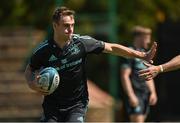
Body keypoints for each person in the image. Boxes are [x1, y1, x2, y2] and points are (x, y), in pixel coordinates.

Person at [24, 7, 157, 122]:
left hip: (76, 105)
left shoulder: (81, 43)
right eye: (66, 25)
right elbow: (29, 69)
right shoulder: (43, 50)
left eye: (72, 25)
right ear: (55, 25)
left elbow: (111, 48)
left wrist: (141, 55)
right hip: (52, 106)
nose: (70, 29)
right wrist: (32, 84)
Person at [120, 26, 158, 122]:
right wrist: (131, 95)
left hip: (145, 94)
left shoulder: (145, 54)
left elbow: (149, 75)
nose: (149, 42)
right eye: (147, 38)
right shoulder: (129, 52)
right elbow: (124, 76)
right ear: (139, 37)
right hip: (135, 94)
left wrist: (153, 92)